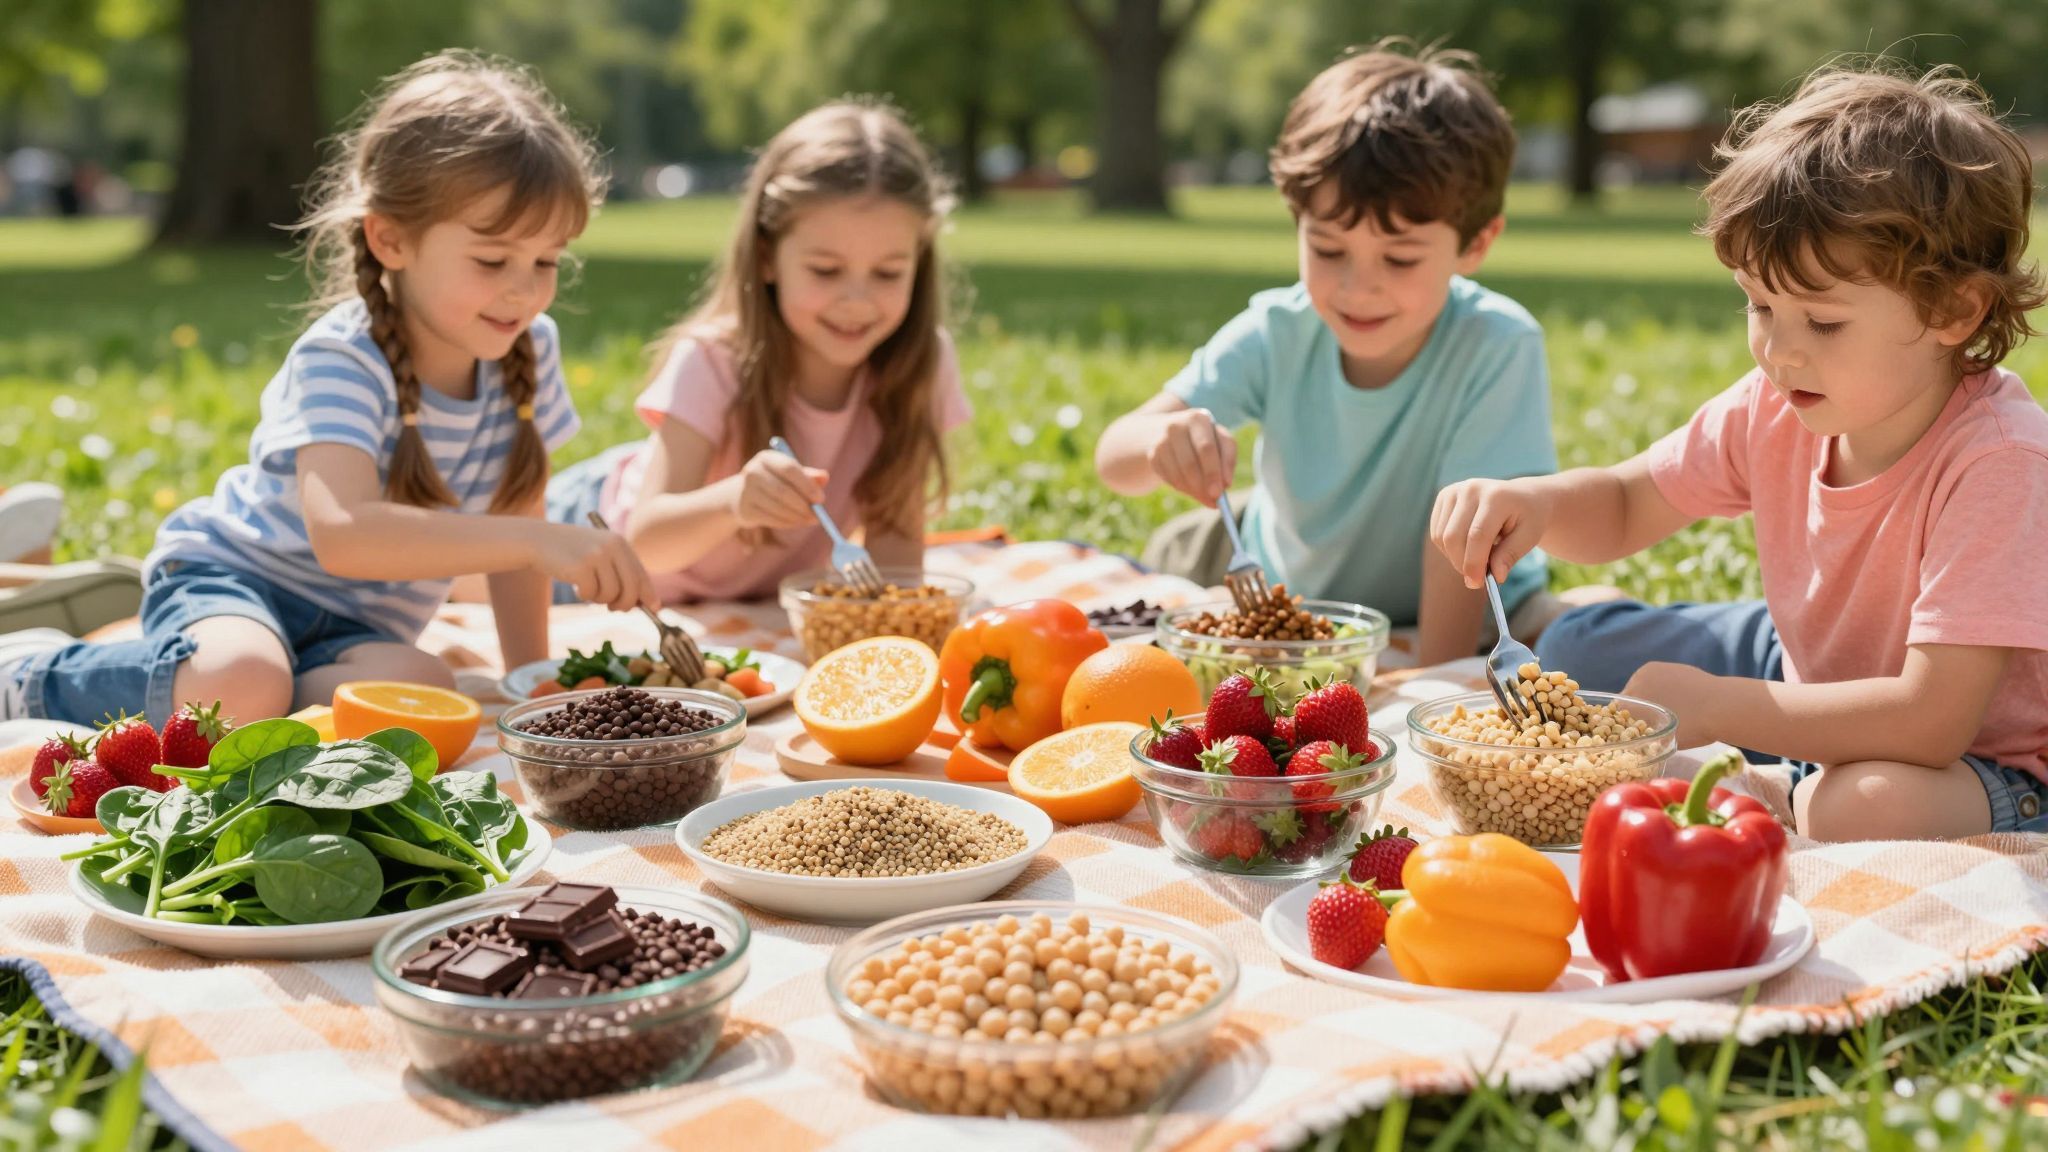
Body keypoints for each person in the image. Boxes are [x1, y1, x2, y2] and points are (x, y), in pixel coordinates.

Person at [1432, 63, 2048, 841]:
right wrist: (1537, 504)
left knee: (1860, 806)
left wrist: (1720, 708)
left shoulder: (2000, 463)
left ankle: (1777, 790)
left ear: (1955, 309)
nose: (1778, 352)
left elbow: (1932, 720)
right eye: (1759, 305)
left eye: (1822, 323)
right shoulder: (1777, 403)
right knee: (1574, 647)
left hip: (1976, 759)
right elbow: (1625, 506)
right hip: (1803, 664)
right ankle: (1765, 760)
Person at [0, 51, 654, 727]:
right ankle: (30, 675)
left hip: (353, 631)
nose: (525, 289)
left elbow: (517, 544)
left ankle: (253, 691)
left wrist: (529, 688)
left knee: (426, 697)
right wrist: (530, 539)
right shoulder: (344, 357)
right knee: (243, 681)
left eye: (546, 260)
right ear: (391, 240)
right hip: (234, 583)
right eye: (493, 259)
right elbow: (345, 535)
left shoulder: (531, 351)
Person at [1096, 41, 1601, 665]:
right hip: (1295, 581)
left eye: (1400, 258)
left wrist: (1432, 680)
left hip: (1463, 598)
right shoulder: (1279, 329)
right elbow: (1113, 457)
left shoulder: (1495, 343)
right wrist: (1158, 441)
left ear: (1476, 243)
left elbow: (1463, 549)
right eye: (1329, 249)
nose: (1357, 287)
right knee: (1169, 574)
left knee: (1579, 634)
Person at [542, 101, 969, 602]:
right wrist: (736, 501)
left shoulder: (921, 365)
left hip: (740, 594)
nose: (857, 301)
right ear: (767, 258)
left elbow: (895, 565)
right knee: (446, 582)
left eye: (888, 273)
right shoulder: (713, 359)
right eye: (826, 271)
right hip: (595, 554)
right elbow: (646, 540)